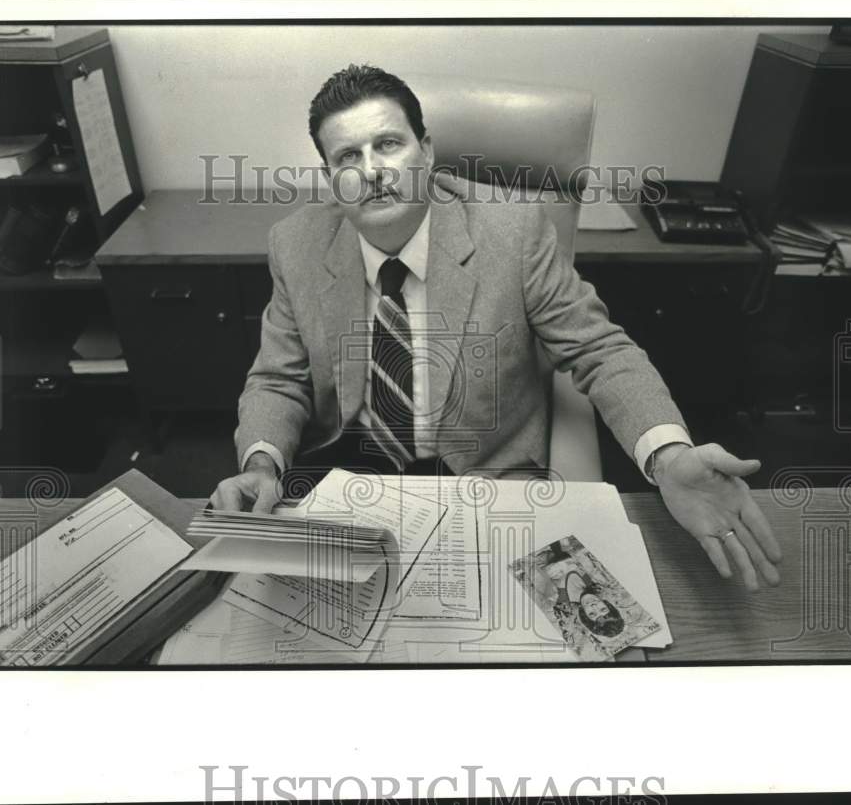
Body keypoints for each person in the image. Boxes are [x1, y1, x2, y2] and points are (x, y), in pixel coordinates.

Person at [212, 64, 782, 591]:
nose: (373, 172)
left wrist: (669, 456)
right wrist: (262, 464)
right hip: (351, 473)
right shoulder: (296, 244)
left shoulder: (513, 230)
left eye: (388, 144)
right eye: (348, 157)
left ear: (426, 150)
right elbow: (278, 379)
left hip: (485, 475)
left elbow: (601, 352)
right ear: (332, 177)